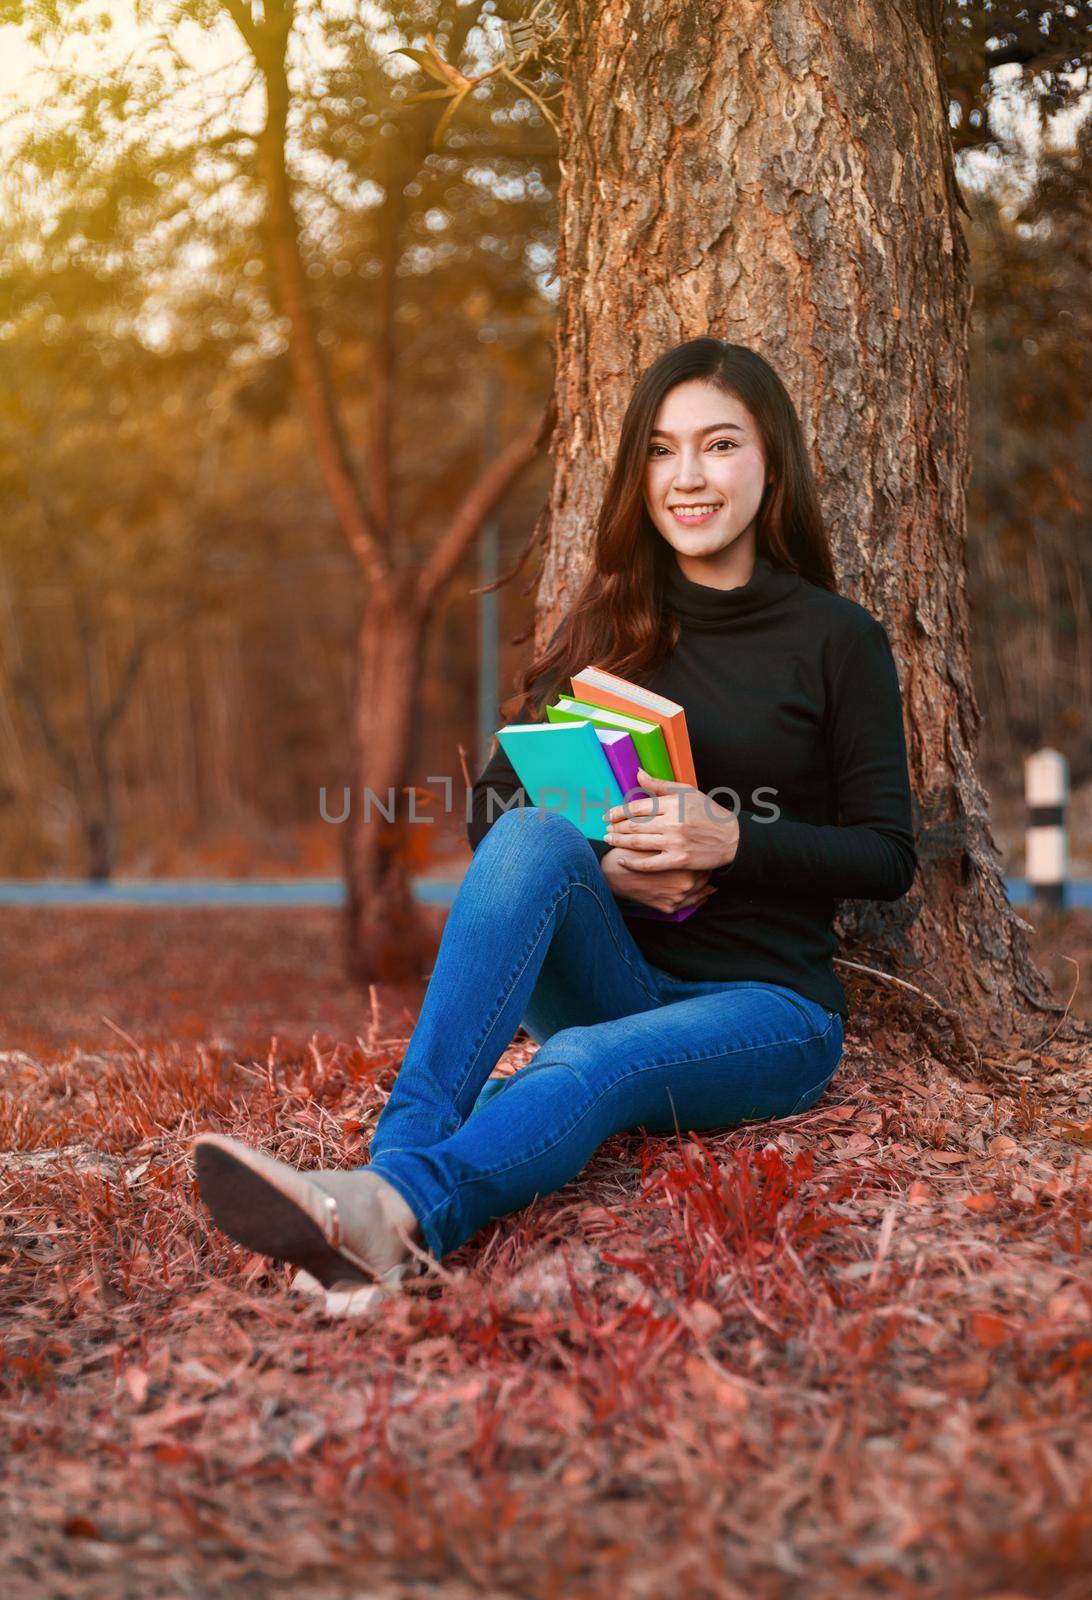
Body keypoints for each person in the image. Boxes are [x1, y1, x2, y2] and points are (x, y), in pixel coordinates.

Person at [193, 337, 917, 1299]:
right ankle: (384, 1178)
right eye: (661, 450)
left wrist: (729, 838)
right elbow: (494, 804)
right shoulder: (614, 623)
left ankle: (392, 1214)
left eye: (720, 445)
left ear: (771, 461)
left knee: (579, 1061)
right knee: (534, 833)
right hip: (616, 969)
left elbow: (888, 853)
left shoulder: (836, 640)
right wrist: (609, 872)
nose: (688, 477)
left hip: (766, 1010)